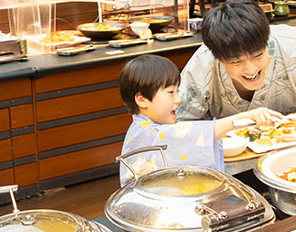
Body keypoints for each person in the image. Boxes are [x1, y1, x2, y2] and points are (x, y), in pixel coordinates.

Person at [118, 54, 279, 186]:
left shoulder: (145, 127)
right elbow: (189, 135)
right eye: (170, 92)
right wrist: (244, 117)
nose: (178, 99)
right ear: (142, 100)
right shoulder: (147, 132)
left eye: (177, 92)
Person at [177, 0, 296, 125]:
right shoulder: (203, 62)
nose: (250, 69)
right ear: (219, 59)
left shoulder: (294, 49)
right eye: (236, 62)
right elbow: (180, 123)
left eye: (258, 55)